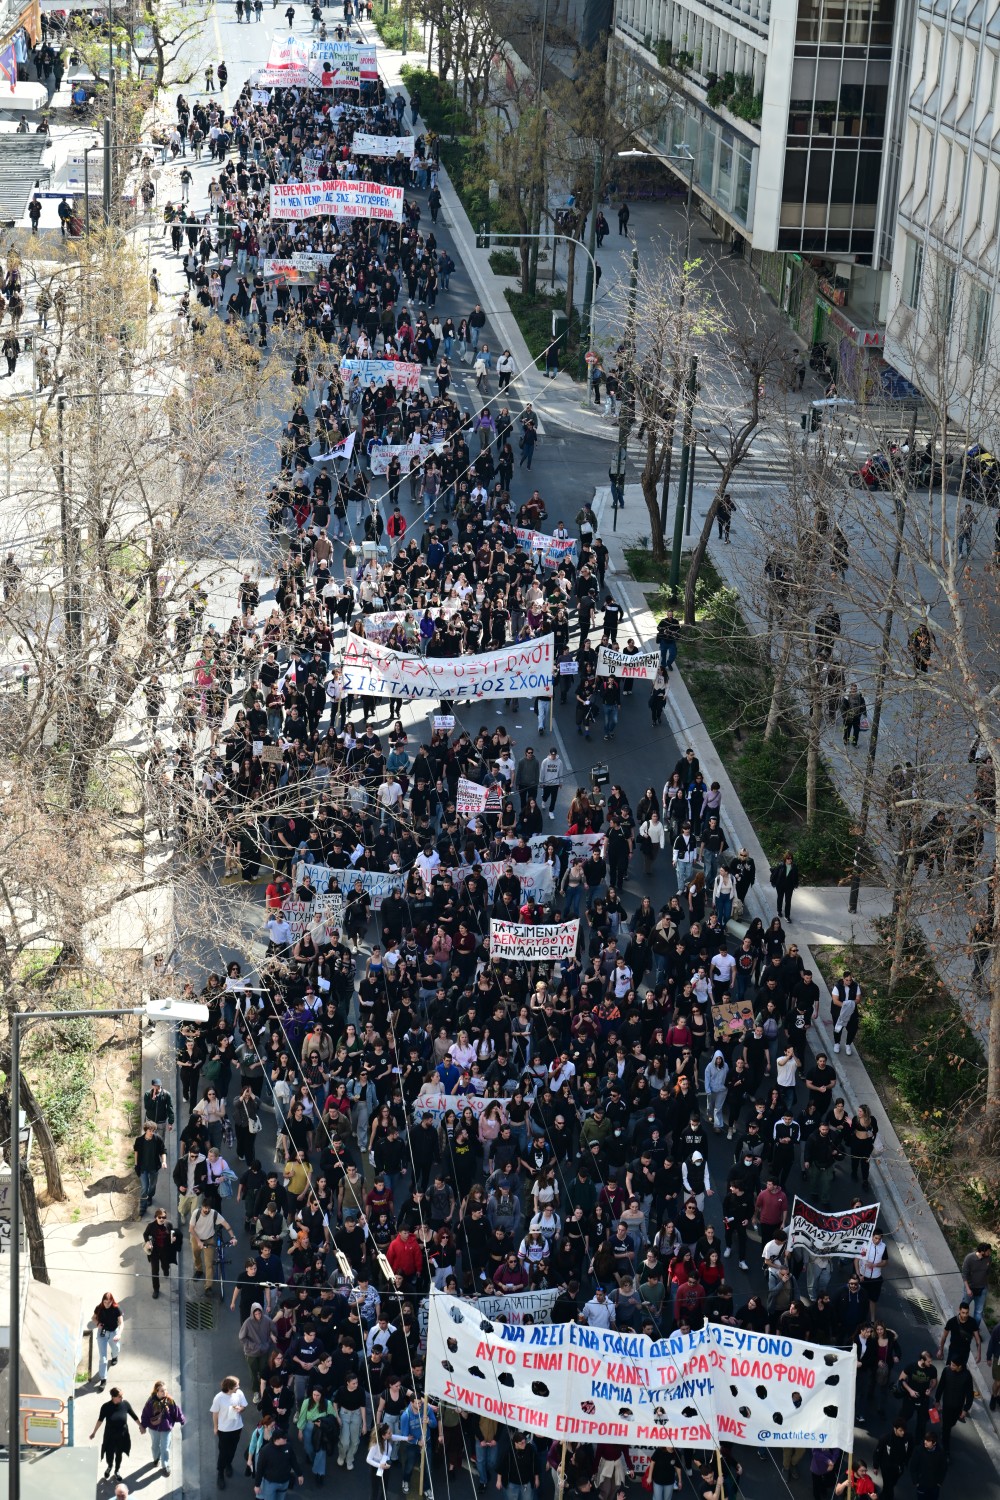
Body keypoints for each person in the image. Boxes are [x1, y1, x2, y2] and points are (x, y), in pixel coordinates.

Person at [90, 1387, 141, 1482]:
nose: (122, 1397)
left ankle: (117, 1471)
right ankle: (109, 1466)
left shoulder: (125, 1404)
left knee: (119, 1454)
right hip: (110, 1435)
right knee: (109, 1454)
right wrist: (94, 1432)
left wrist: (141, 1426)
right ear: (113, 1397)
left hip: (122, 1435)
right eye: (120, 1396)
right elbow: (100, 1420)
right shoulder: (105, 1407)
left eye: (122, 1395)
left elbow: (134, 1416)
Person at [139, 1380, 185, 1476]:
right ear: (157, 1391)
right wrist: (143, 1426)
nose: (165, 1392)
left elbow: (176, 1411)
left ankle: (165, 1465)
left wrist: (181, 1419)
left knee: (165, 1448)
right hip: (153, 1428)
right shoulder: (151, 1402)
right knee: (155, 1446)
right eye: (162, 1391)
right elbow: (145, 1414)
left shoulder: (170, 1401)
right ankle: (156, 1459)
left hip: (166, 1428)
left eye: (165, 1390)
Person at [212, 1375, 248, 1490]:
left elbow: (244, 1406)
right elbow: (215, 1413)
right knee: (223, 1451)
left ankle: (229, 1464)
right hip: (224, 1430)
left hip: (237, 1427)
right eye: (237, 1385)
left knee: (232, 1449)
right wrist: (215, 1427)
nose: (239, 1386)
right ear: (230, 1387)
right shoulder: (219, 1398)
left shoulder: (239, 1393)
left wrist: (240, 1409)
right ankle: (220, 1472)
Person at [253, 1423, 304, 1498]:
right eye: (283, 1438)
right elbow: (260, 1469)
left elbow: (293, 1461)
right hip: (270, 1483)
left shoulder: (288, 1447)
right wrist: (257, 1485)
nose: (286, 1439)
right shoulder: (265, 1451)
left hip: (284, 1482)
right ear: (276, 1439)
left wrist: (299, 1474)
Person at [142, 1208, 181, 1298]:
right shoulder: (151, 1226)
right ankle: (156, 1289)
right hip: (154, 1252)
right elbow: (145, 1234)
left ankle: (166, 1271)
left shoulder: (168, 1225)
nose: (162, 1219)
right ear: (156, 1217)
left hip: (165, 1251)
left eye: (164, 1217)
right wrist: (147, 1242)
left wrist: (173, 1239)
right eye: (160, 1217)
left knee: (165, 1266)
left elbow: (172, 1235)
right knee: (155, 1271)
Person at [133, 1121, 168, 1215]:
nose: (152, 1132)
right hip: (143, 1168)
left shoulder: (158, 1139)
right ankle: (143, 1207)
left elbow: (163, 1151)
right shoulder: (139, 1140)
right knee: (145, 1187)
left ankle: (150, 1196)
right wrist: (136, 1165)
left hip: (154, 1168)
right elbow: (136, 1152)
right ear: (145, 1130)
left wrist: (164, 1161)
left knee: (152, 1185)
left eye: (153, 1130)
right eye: (150, 1130)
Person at [93, 1292, 125, 1391]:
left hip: (113, 1332)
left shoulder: (116, 1309)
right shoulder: (99, 1308)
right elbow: (93, 1318)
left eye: (109, 1302)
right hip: (102, 1333)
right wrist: (97, 1323)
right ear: (102, 1301)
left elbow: (121, 1323)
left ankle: (114, 1356)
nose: (107, 1304)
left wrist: (119, 1334)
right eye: (105, 1302)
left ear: (112, 1301)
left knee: (116, 1348)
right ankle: (103, 1379)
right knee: (103, 1357)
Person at [769, 849, 800, 921]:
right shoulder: (781, 866)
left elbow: (796, 876)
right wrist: (773, 882)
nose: (790, 860)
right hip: (780, 886)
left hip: (789, 887)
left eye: (791, 858)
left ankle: (787, 915)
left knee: (788, 901)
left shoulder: (794, 867)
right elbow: (775, 874)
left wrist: (795, 884)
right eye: (788, 858)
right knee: (780, 898)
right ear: (785, 859)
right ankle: (779, 911)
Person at [367, 1422, 394, 1500]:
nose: (391, 1434)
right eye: (389, 1433)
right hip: (376, 1469)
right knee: (375, 1490)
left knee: (384, 1487)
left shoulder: (388, 1438)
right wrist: (380, 1465)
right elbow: (368, 1459)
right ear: (383, 1435)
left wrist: (407, 1438)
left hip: (385, 1467)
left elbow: (397, 1437)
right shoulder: (375, 1445)